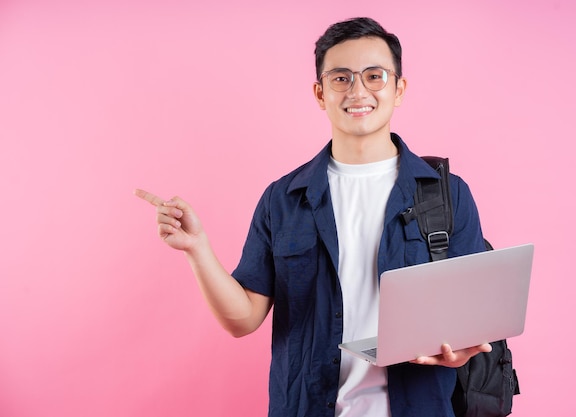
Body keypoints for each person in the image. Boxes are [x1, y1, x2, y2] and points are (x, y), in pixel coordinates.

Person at [135, 17, 491, 417]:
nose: (358, 91)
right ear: (320, 93)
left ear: (398, 89)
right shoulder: (283, 199)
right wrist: (197, 250)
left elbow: (468, 325)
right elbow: (243, 318)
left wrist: (458, 353)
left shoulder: (446, 193)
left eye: (374, 76)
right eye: (341, 78)